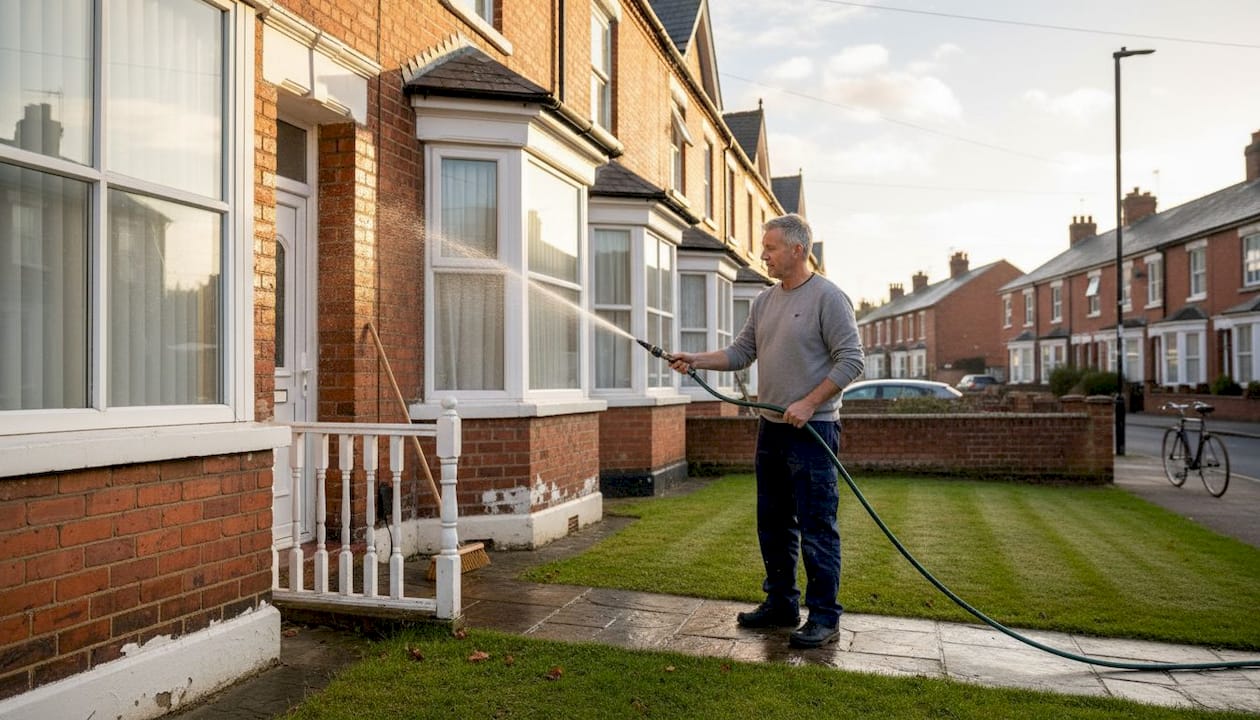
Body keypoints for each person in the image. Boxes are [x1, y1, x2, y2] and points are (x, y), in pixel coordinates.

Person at [668, 213, 864, 649]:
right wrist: (695, 359)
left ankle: (825, 617)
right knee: (773, 523)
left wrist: (810, 402)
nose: (763, 255)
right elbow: (742, 352)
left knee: (817, 526)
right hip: (771, 430)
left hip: (813, 432)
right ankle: (781, 604)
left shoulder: (829, 298)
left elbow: (852, 360)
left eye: (771, 247)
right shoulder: (764, 300)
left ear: (798, 250)